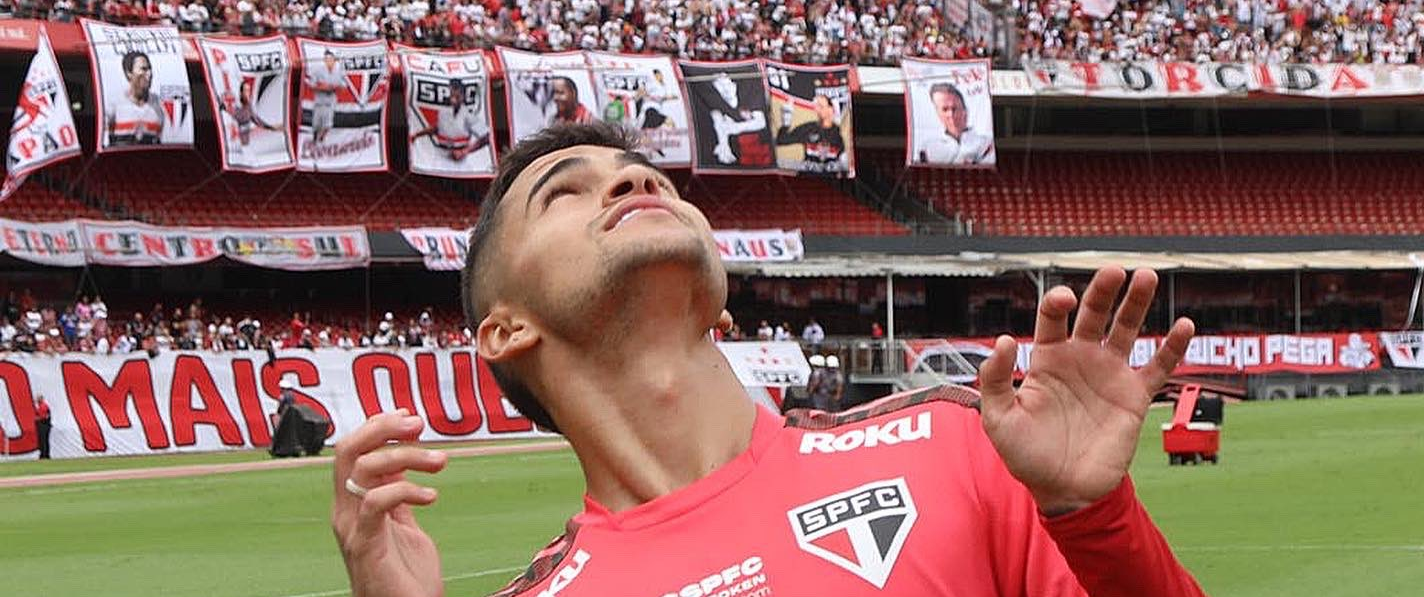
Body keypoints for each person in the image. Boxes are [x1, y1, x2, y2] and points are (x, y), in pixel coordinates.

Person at [331, 120, 1204, 597]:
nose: (636, 182)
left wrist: (1093, 520)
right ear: (505, 328)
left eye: (650, 176)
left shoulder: (957, 443)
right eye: (565, 192)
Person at [916, 82, 993, 164]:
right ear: (938, 113)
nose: (951, 115)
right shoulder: (927, 147)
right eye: (945, 109)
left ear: (965, 111)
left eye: (954, 108)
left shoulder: (985, 143)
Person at [104, 50, 165, 145]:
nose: (149, 74)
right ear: (129, 73)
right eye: (143, 69)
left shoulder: (158, 104)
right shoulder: (113, 104)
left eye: (150, 69)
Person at [774, 93, 847, 172]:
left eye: (821, 106)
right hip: (806, 179)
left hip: (830, 181)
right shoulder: (808, 128)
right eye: (816, 106)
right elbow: (781, 140)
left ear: (831, 109)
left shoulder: (839, 133)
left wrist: (843, 164)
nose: (817, 109)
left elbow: (843, 162)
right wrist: (786, 120)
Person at [309, 49, 347, 143]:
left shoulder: (338, 72)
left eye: (331, 59)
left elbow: (343, 85)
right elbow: (312, 84)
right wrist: (322, 87)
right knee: (316, 124)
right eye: (327, 59)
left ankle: (321, 139)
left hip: (330, 102)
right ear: (325, 60)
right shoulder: (318, 70)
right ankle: (315, 138)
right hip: (319, 101)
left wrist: (334, 87)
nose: (329, 61)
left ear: (334, 60)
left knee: (328, 125)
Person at [34, 393, 52, 459]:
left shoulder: (43, 406)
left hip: (43, 425)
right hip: (45, 425)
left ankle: (44, 455)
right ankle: (46, 454)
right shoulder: (42, 406)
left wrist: (38, 419)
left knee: (43, 440)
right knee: (44, 440)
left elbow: (45, 416)